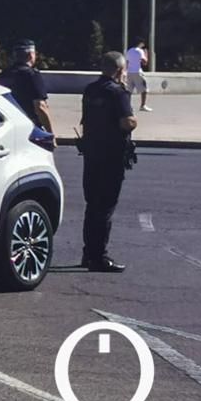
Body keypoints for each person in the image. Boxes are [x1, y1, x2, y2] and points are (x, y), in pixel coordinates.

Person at [79, 51, 138, 273]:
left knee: (92, 205)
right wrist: (134, 122)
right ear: (121, 70)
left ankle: (88, 253)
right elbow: (126, 122)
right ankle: (99, 257)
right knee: (105, 207)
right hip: (111, 154)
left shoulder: (90, 89)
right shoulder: (118, 93)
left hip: (92, 153)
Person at [0, 39, 55, 139]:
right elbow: (40, 107)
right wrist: (50, 134)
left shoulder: (2, 76)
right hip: (29, 128)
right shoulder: (31, 75)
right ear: (30, 55)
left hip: (7, 128)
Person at [125, 38, 151, 112]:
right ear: (140, 43)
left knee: (129, 90)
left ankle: (128, 106)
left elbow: (127, 61)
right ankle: (143, 105)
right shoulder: (140, 51)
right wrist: (146, 54)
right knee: (144, 89)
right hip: (137, 72)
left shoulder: (129, 51)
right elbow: (145, 62)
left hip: (129, 72)